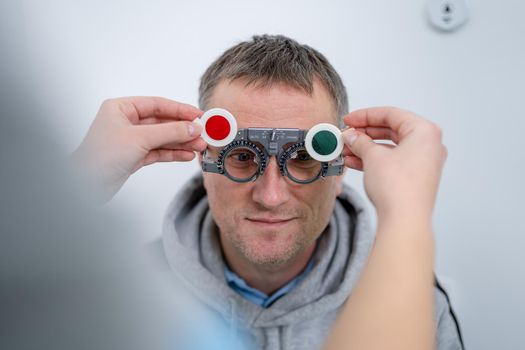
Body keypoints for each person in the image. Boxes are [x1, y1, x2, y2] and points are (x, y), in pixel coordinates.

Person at [73, 35, 463, 349]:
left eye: (303, 159)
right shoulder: (125, 295)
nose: (271, 196)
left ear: (341, 166)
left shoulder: (414, 306)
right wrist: (79, 181)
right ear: (202, 158)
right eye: (242, 156)